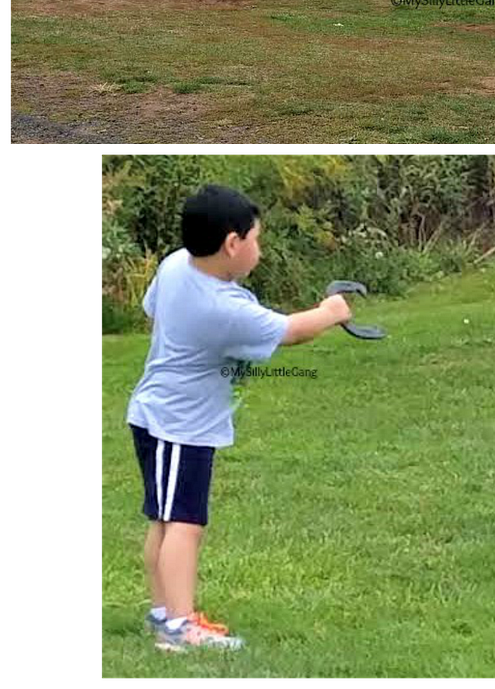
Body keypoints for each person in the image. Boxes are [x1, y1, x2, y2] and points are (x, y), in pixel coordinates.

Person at [126, 184, 359, 651]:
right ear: (232, 244)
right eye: (256, 238)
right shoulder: (222, 309)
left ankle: (164, 612)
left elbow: (153, 309)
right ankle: (179, 628)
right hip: (179, 424)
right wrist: (331, 311)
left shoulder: (176, 264)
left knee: (165, 519)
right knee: (184, 523)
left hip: (156, 413)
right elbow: (292, 331)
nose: (260, 248)